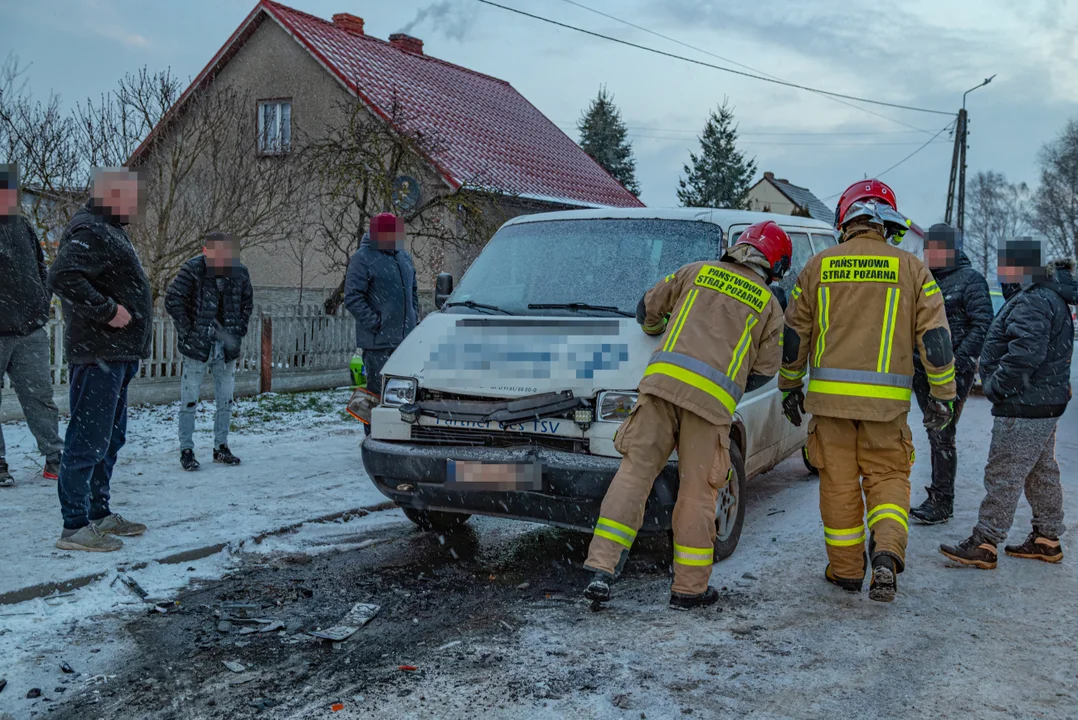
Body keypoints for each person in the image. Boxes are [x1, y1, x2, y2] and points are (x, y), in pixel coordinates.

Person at [583, 221, 791, 610]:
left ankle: (601, 569)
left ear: (737, 247)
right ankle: (688, 589)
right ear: (775, 265)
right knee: (698, 492)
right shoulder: (769, 305)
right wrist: (730, 380)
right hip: (710, 406)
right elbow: (765, 370)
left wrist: (655, 327)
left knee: (634, 474)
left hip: (659, 388)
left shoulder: (695, 271)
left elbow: (648, 309)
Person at [779, 179, 957, 603]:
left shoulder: (819, 266)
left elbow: (793, 335)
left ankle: (844, 571)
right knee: (889, 480)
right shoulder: (912, 269)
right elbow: (935, 338)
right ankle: (887, 555)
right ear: (886, 222)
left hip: (831, 408)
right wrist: (943, 395)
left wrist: (789, 386)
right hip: (887, 410)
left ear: (845, 219)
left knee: (838, 487)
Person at [940, 241, 1075, 568]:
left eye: (1006, 268)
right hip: (1041, 403)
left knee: (1004, 473)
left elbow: (1025, 353)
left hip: (1024, 406)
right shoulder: (1045, 295)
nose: (1001, 276)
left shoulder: (1033, 300)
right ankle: (1047, 538)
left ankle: (985, 542)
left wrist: (997, 385)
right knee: (1041, 473)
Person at [48, 168, 152, 552]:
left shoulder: (109, 227)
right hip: (98, 354)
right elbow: (62, 277)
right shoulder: (90, 228)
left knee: (110, 436)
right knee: (88, 438)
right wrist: (108, 311)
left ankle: (98, 512)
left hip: (116, 353)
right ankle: (74, 527)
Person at [909, 224, 993, 524]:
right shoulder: (924, 279)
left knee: (942, 433)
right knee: (935, 432)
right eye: (929, 248)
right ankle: (937, 497)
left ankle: (942, 502)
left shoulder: (971, 280)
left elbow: (982, 324)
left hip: (954, 372)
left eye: (938, 248)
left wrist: (954, 364)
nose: (932, 253)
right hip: (922, 370)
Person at [165, 232, 253, 471]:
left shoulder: (240, 272)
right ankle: (186, 450)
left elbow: (247, 303)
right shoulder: (193, 269)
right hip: (198, 347)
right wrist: (189, 331)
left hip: (226, 348)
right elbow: (173, 299)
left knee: (225, 399)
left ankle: (221, 447)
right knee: (189, 400)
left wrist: (238, 331)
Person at [0, 164, 64, 487]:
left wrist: (42, 301)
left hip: (29, 330)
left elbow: (42, 266)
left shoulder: (22, 225)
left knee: (40, 397)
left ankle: (54, 458)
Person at [344, 213, 419, 429]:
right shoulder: (363, 258)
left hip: (405, 340)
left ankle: (399, 432)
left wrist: (413, 316)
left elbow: (412, 290)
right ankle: (372, 435)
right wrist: (376, 323)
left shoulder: (403, 257)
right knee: (374, 394)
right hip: (377, 342)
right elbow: (353, 297)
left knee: (404, 393)